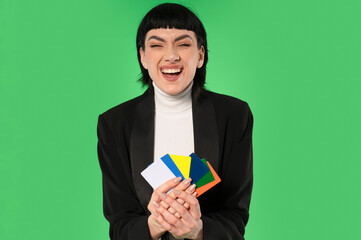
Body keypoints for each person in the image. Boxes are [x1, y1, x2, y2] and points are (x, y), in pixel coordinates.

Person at [97, 3, 253, 240]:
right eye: (157, 45)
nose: (171, 55)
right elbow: (120, 226)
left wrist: (198, 230)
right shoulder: (115, 124)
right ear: (143, 57)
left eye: (183, 43)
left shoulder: (233, 115)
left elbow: (235, 219)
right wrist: (155, 225)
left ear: (201, 55)